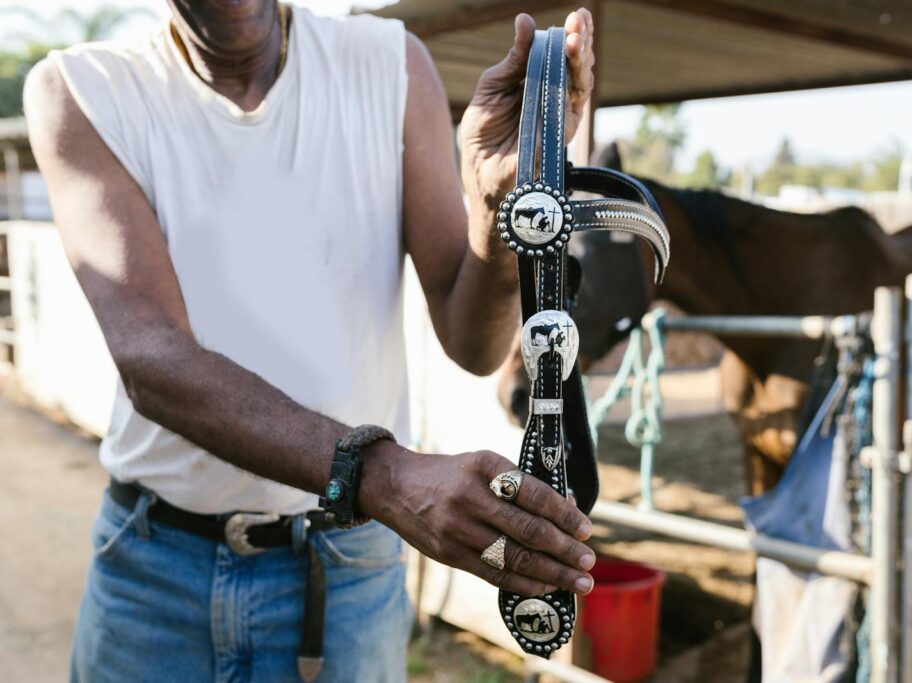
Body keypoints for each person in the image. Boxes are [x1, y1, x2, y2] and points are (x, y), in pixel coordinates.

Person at [23, 1, 596, 680]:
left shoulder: (390, 63)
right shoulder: (81, 89)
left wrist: (499, 204)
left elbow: (472, 341)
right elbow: (151, 357)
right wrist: (379, 476)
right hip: (156, 574)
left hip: (345, 572)